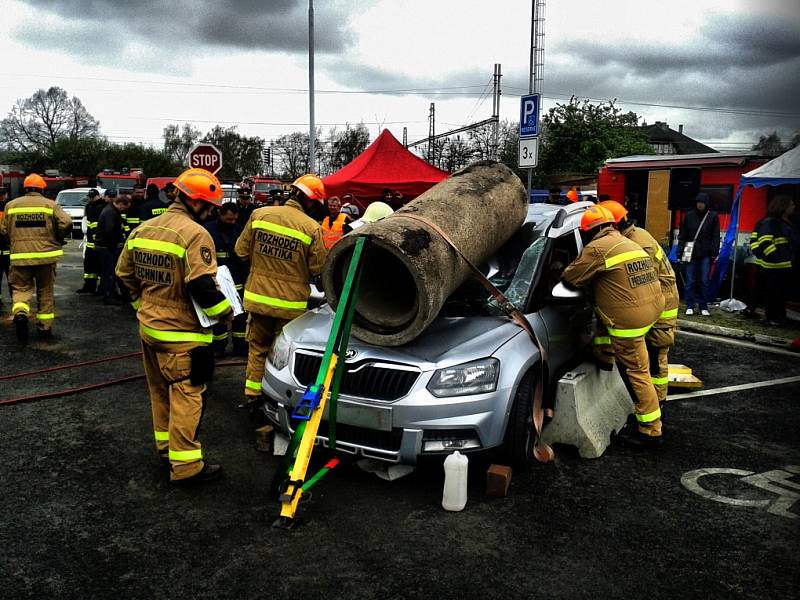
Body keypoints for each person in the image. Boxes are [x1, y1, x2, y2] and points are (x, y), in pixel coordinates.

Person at [116, 168, 233, 485]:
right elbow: (201, 286)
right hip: (182, 335)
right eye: (209, 205)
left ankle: (166, 449)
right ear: (196, 202)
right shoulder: (196, 235)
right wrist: (227, 313)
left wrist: (142, 307)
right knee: (187, 395)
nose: (211, 211)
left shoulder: (143, 230)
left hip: (149, 330)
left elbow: (123, 275)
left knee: (159, 392)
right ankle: (186, 467)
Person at [562, 205, 665, 447]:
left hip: (630, 321)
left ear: (589, 231)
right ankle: (606, 358)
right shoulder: (627, 242)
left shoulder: (597, 248)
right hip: (651, 310)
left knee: (637, 371)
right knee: (636, 362)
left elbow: (571, 277)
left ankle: (651, 430)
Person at [234, 173, 327, 406]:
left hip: (258, 299)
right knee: (285, 356)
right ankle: (279, 400)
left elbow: (241, 251)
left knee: (257, 349)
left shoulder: (259, 215)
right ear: (310, 201)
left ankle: (253, 397)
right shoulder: (311, 227)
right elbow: (318, 268)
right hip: (290, 307)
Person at [601, 200, 679, 407]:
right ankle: (654, 400)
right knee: (651, 354)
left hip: (663, 303)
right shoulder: (635, 235)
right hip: (657, 298)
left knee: (657, 354)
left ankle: (658, 403)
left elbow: (640, 281)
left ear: (614, 225)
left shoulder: (637, 243)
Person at [0, 173, 71, 341]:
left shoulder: (11, 205)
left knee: (20, 289)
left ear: (25, 188)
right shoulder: (50, 205)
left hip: (19, 257)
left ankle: (21, 313)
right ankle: (44, 328)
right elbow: (66, 223)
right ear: (42, 189)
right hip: (46, 257)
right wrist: (58, 237)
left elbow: (2, 229)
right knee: (45, 290)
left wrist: (12, 240)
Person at [744, 195, 796, 325]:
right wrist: (774, 257)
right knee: (774, 293)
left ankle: (777, 316)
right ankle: (772, 317)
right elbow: (762, 241)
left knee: (779, 293)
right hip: (774, 266)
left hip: (782, 265)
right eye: (791, 205)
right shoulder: (770, 222)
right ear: (783, 207)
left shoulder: (785, 223)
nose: (794, 207)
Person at [204, 202, 248, 356]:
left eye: (234, 219)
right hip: (217, 283)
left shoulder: (239, 230)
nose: (232, 223)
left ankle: (240, 347)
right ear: (220, 215)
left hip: (237, 282)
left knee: (241, 318)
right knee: (219, 317)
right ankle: (218, 347)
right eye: (228, 219)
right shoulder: (208, 231)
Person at [677, 192, 720, 316]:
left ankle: (703, 306)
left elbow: (715, 236)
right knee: (689, 280)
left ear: (706, 204)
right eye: (698, 202)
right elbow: (683, 235)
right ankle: (689, 305)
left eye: (702, 203)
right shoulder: (689, 216)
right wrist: (680, 252)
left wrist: (714, 252)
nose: (700, 205)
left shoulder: (712, 216)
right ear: (695, 203)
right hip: (689, 251)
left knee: (704, 280)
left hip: (706, 253)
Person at [95, 192, 131, 305]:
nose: (124, 210)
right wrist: (115, 244)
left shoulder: (110, 210)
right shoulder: (111, 212)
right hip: (106, 246)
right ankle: (108, 296)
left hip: (104, 245)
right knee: (109, 272)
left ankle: (109, 292)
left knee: (108, 271)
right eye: (125, 207)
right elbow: (110, 230)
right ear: (120, 204)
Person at [76, 189, 104, 294]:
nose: (89, 199)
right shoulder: (89, 206)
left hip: (99, 243)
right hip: (90, 242)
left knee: (101, 267)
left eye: (91, 197)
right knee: (89, 267)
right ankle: (89, 286)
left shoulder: (102, 206)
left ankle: (102, 288)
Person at [0, 188, 11, 306]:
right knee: (12, 278)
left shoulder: (9, 207)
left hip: (5, 248)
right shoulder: (9, 207)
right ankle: (15, 298)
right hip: (7, 248)